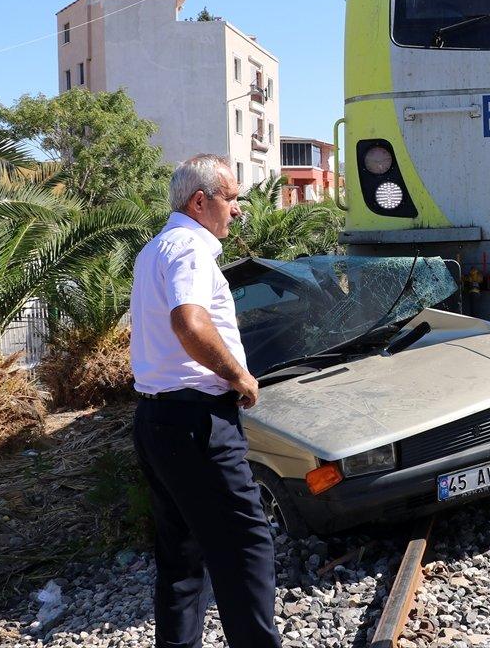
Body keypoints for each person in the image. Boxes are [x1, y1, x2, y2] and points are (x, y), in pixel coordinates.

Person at [130, 154, 282, 648]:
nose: (238, 210)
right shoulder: (191, 250)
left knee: (181, 553)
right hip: (197, 423)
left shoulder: (154, 248)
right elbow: (189, 322)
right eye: (232, 198)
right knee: (247, 546)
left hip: (157, 419)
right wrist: (239, 376)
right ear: (201, 201)